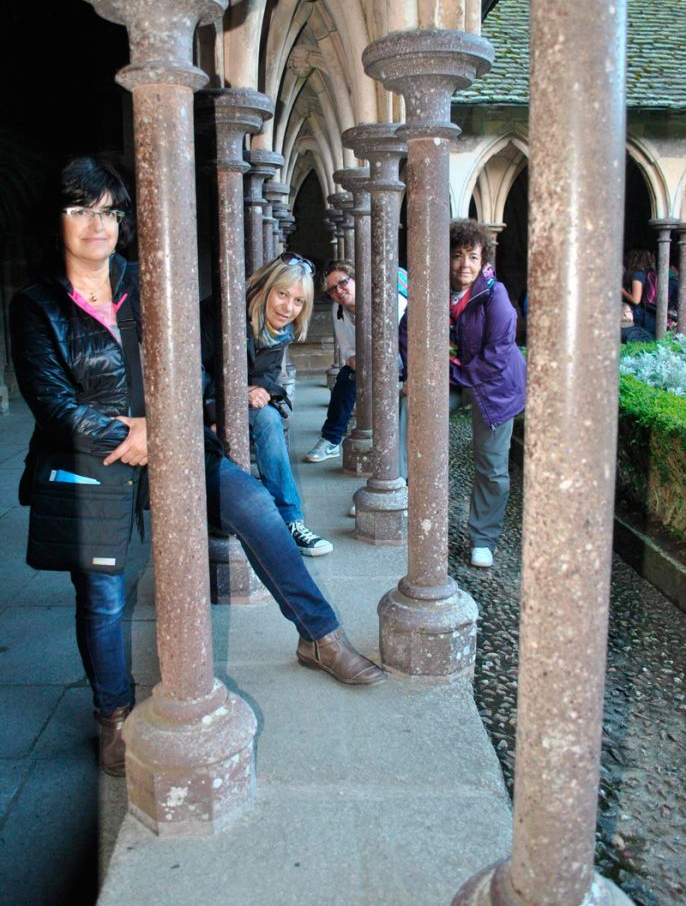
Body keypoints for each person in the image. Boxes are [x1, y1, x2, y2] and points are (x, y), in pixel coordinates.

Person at [10, 158, 386, 778]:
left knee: (256, 506)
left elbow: (192, 363)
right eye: (80, 210)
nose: (97, 225)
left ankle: (320, 635)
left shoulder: (147, 283)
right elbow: (51, 402)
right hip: (90, 459)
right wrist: (129, 434)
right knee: (101, 593)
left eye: (108, 212)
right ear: (56, 220)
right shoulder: (36, 306)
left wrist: (164, 427)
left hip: (175, 439)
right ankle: (112, 713)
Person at [399, 219, 526, 569]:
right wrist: (417, 375)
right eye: (457, 256)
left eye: (472, 256)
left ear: (483, 260)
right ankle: (396, 487)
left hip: (494, 387)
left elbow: (496, 358)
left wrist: (445, 373)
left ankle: (483, 538)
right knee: (411, 401)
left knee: (492, 465)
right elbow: (407, 332)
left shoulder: (495, 296)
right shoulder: (432, 290)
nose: (464, 265)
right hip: (454, 378)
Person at [201, 254, 333, 555]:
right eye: (282, 294)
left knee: (269, 417)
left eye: (298, 301)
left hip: (232, 401)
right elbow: (190, 371)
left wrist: (253, 391)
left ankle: (290, 521)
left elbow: (267, 378)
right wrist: (228, 401)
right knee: (267, 419)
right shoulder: (222, 313)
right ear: (265, 287)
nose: (288, 308)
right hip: (197, 402)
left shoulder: (279, 331)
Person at [304, 259, 407, 462]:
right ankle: (330, 440)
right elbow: (348, 349)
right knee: (345, 378)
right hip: (368, 362)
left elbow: (402, 342)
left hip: (402, 363)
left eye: (342, 282)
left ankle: (395, 446)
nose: (339, 291)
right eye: (332, 289)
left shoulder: (388, 299)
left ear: (356, 279)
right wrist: (354, 360)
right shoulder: (338, 309)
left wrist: (371, 361)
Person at [622, 247, 657, 337]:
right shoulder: (650, 273)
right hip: (651, 311)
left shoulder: (637, 275)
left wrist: (622, 291)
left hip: (642, 313)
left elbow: (636, 300)